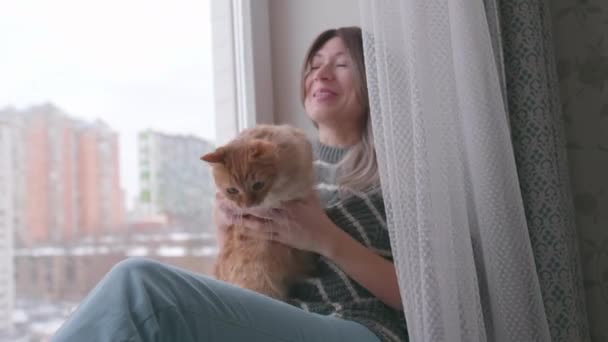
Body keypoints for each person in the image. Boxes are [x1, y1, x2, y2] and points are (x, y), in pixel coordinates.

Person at [52, 26, 407, 342]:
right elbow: (250, 274)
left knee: (140, 287)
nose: (322, 74)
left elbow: (429, 298)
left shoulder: (399, 174)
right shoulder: (273, 162)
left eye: (341, 64)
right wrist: (227, 229)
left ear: (372, 79)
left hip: (361, 324)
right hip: (281, 314)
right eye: (314, 65)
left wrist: (325, 238)